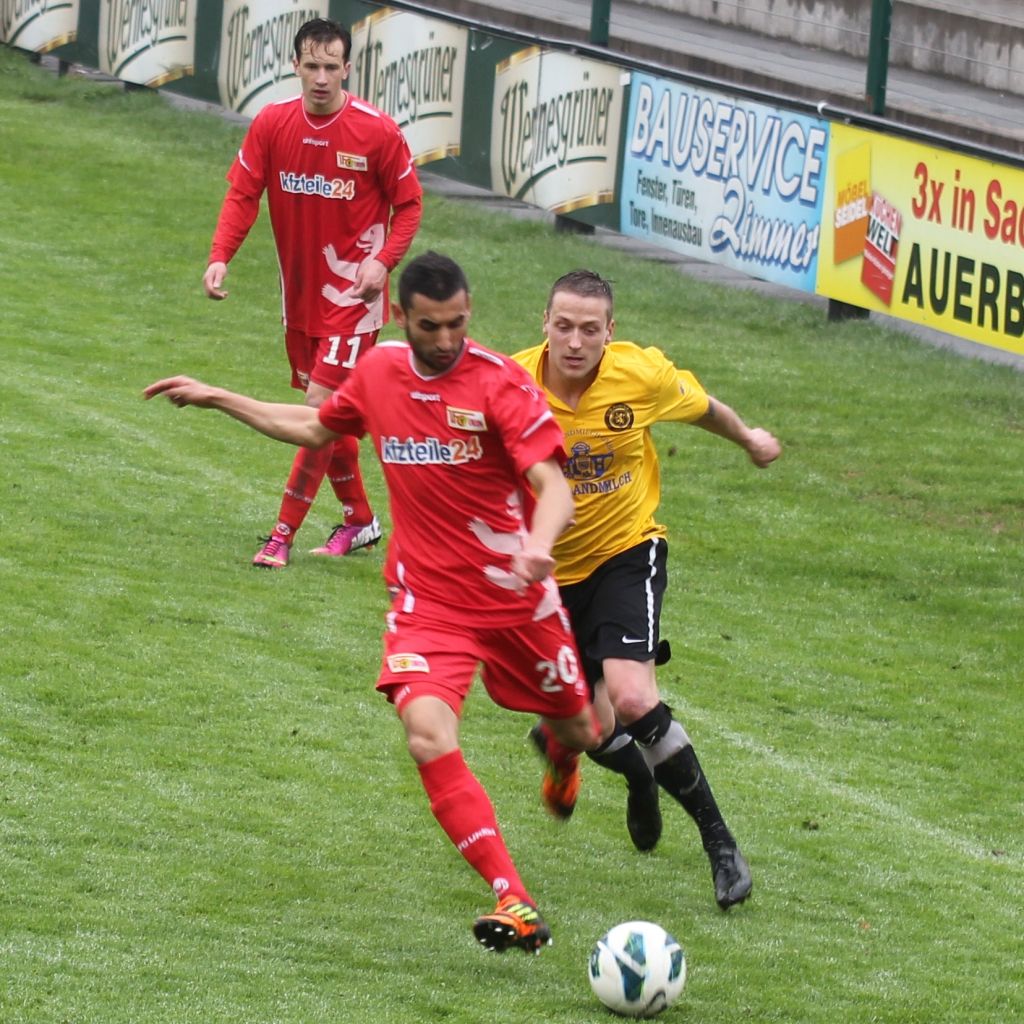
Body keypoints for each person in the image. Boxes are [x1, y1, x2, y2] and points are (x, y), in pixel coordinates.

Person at [146, 251, 598, 953]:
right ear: (400, 316)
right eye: (429, 326)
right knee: (425, 734)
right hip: (430, 603)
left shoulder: (500, 385)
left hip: (517, 597)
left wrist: (540, 542)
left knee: (581, 730)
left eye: (455, 324)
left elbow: (555, 485)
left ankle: (560, 754)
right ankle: (514, 898)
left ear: (468, 312)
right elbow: (313, 428)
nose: (445, 340)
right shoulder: (380, 373)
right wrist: (218, 397)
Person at [513, 269, 781, 911]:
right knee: (586, 725)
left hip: (626, 552)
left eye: (590, 329)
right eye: (564, 326)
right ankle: (615, 764)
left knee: (633, 696)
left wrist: (746, 436)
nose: (575, 341)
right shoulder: (511, 383)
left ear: (611, 331)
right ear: (543, 325)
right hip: (546, 575)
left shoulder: (641, 375)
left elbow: (703, 406)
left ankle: (721, 845)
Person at [203, 17, 423, 568]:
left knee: (318, 413)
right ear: (295, 65)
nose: (322, 77)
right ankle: (361, 521)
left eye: (332, 66)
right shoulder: (274, 124)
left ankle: (281, 535)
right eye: (312, 65)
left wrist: (382, 261)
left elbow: (410, 205)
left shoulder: (377, 132)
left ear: (348, 68)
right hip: (299, 304)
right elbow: (242, 195)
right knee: (335, 421)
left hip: (354, 304)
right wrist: (219, 258)